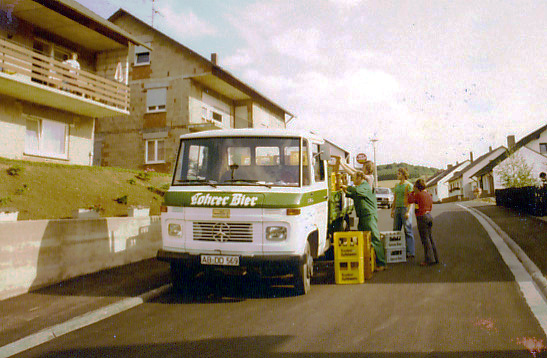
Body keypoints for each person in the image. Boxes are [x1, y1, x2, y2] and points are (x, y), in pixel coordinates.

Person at [341, 171, 386, 271]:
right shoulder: (360, 188)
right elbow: (352, 194)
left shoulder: (364, 186)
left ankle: (382, 263)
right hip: (363, 216)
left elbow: (356, 191)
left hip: (368, 216)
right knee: (363, 239)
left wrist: (346, 186)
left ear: (359, 178)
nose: (352, 180)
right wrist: (344, 189)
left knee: (374, 238)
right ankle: (369, 261)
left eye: (353, 178)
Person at [407, 179, 438, 266]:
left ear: (417, 187)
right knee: (430, 238)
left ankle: (429, 259)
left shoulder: (418, 194)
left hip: (422, 217)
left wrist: (412, 192)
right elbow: (431, 206)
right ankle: (435, 258)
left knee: (425, 240)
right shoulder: (428, 194)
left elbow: (410, 200)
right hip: (429, 215)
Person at [391, 167, 415, 258]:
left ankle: (410, 252)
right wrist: (392, 210)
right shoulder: (397, 185)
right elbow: (395, 198)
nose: (397, 175)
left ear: (404, 175)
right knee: (396, 230)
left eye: (399, 173)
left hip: (405, 208)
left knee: (408, 230)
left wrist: (408, 212)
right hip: (397, 208)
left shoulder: (409, 185)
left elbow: (411, 200)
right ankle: (396, 250)